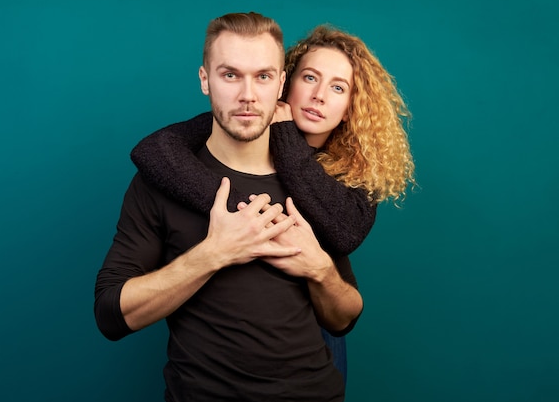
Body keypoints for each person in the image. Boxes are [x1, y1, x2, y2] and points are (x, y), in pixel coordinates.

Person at [94, 12, 363, 402]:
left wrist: (320, 269)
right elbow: (110, 316)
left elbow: (342, 319)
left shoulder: (307, 183)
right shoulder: (160, 180)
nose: (248, 95)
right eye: (230, 75)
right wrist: (213, 254)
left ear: (281, 85)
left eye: (263, 77)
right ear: (205, 80)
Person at [129, 24, 416, 381]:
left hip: (316, 333)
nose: (319, 96)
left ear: (349, 109)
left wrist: (285, 137)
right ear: (285, 83)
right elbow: (155, 149)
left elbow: (346, 235)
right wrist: (247, 214)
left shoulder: (349, 173)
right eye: (310, 78)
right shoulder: (241, 123)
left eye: (338, 87)